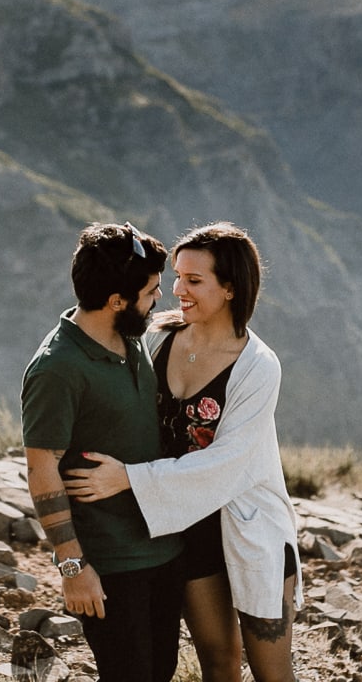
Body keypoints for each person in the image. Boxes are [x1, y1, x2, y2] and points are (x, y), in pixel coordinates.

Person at [65, 222, 303, 682]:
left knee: (272, 672)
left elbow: (227, 462)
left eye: (194, 280)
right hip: (183, 529)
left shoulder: (257, 366)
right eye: (177, 276)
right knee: (218, 660)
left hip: (250, 526)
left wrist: (129, 478)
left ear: (231, 288)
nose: (178, 290)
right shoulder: (158, 337)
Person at [21, 222, 185, 682]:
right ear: (117, 301)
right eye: (152, 292)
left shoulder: (130, 338)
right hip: (110, 564)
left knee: (161, 671)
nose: (159, 300)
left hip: (162, 548)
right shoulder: (57, 368)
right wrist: (73, 567)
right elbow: (41, 469)